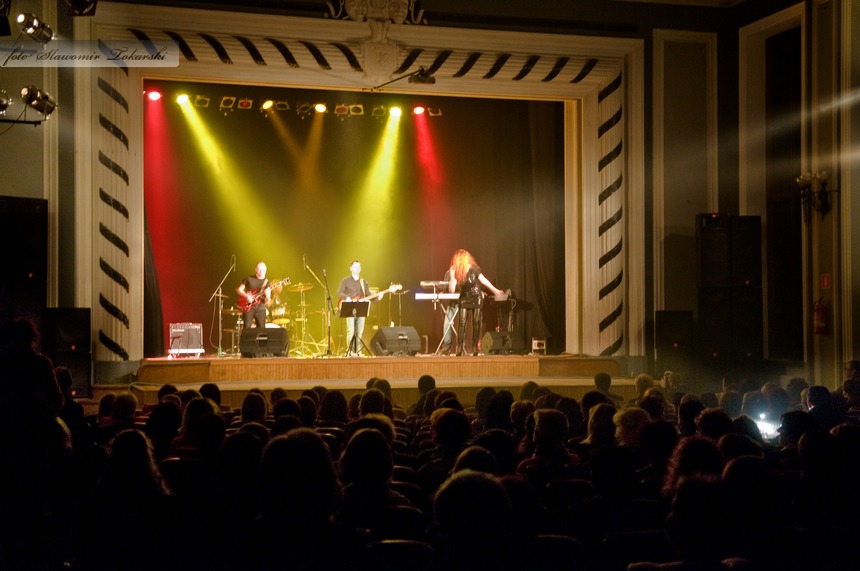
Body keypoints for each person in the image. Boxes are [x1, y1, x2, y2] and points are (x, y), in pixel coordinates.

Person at [447, 249, 503, 356]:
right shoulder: (456, 270)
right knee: (462, 322)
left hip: (476, 296)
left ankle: (474, 347)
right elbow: (452, 290)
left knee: (476, 322)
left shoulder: (474, 268)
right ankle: (459, 347)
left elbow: (483, 280)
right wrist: (452, 277)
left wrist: (495, 291)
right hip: (464, 296)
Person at [337, 260, 384, 357]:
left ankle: (357, 351)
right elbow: (339, 293)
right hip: (349, 308)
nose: (357, 269)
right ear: (351, 268)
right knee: (351, 331)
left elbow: (369, 295)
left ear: (360, 269)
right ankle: (350, 351)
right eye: (355, 267)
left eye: (358, 267)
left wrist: (378, 297)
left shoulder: (364, 282)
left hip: (361, 308)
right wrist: (347, 297)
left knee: (360, 332)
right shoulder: (345, 281)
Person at [236, 261, 271, 330]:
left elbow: (267, 301)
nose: (261, 272)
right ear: (255, 269)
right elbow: (239, 290)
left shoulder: (267, 282)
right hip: (249, 306)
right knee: (247, 327)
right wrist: (246, 296)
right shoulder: (248, 278)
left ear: (266, 270)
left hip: (261, 308)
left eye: (263, 270)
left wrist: (267, 296)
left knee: (262, 329)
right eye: (259, 270)